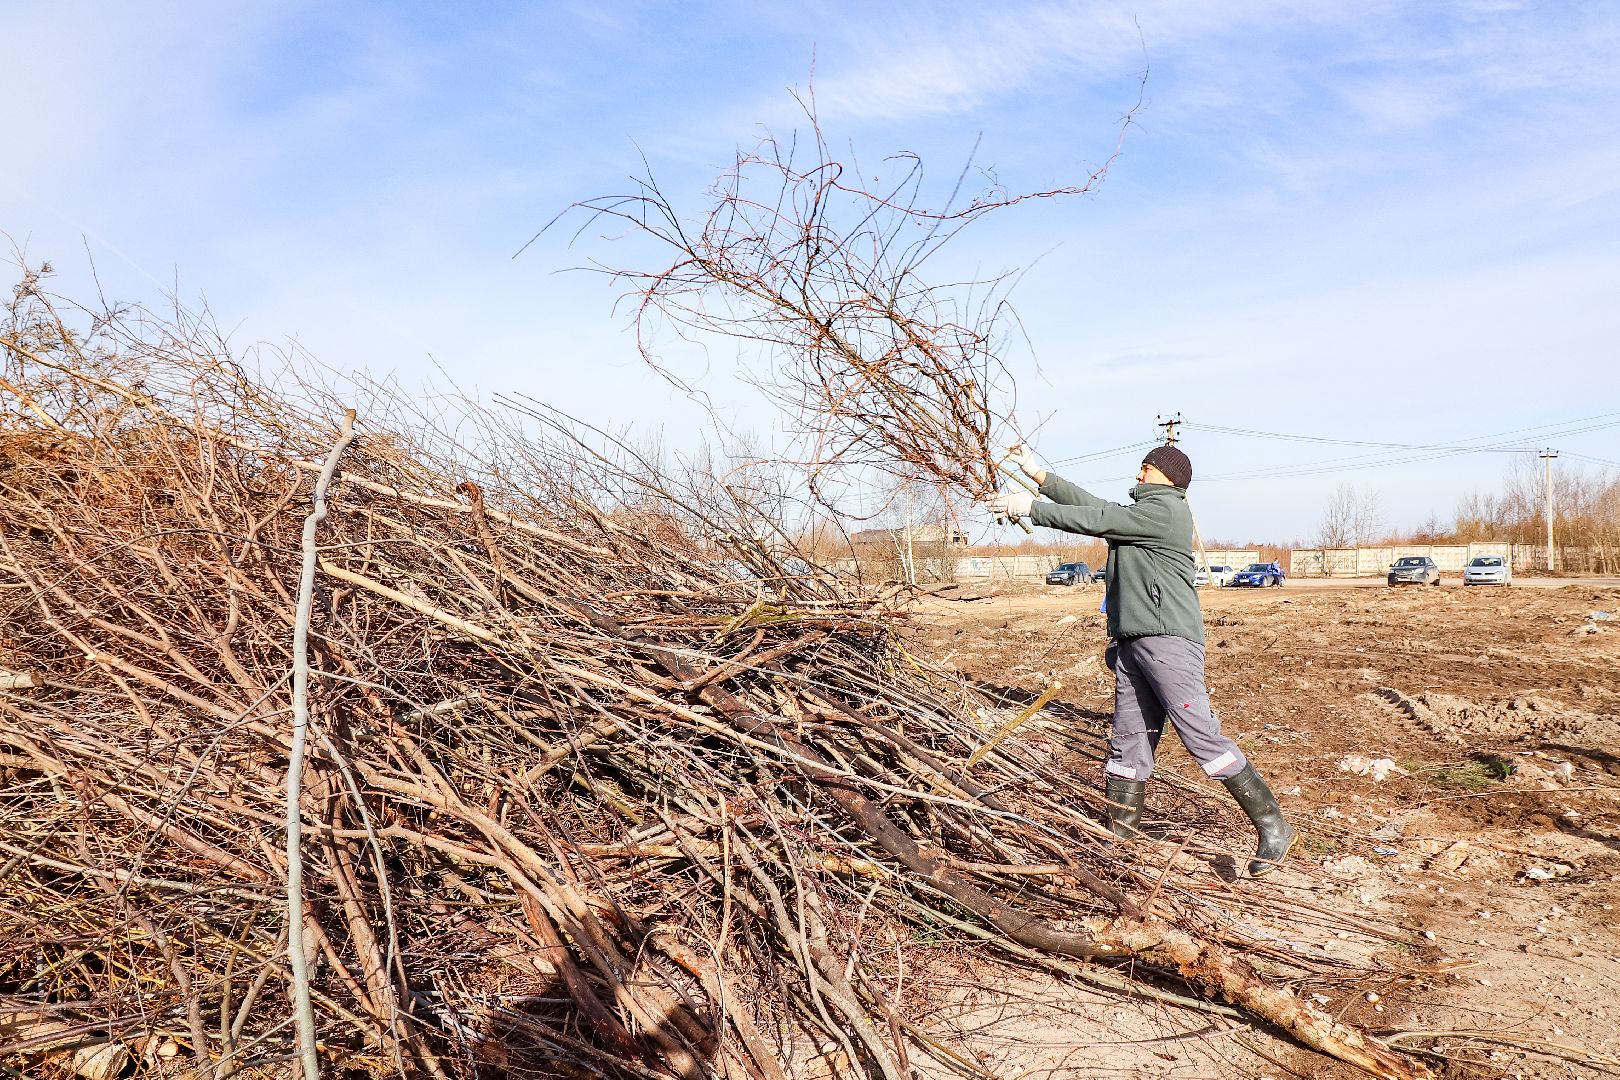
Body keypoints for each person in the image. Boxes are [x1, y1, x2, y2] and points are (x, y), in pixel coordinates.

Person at [982, 443, 1295, 877]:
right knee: (1128, 744)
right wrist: (1039, 475)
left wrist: (1031, 509)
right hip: (1132, 642)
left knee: (1201, 737)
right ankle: (1119, 843)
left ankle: (1273, 826)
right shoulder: (1140, 515)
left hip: (1168, 642)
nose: (1138, 474)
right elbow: (1095, 507)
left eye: (1145, 468)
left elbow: (1099, 518)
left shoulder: (1165, 512)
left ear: (1165, 475)